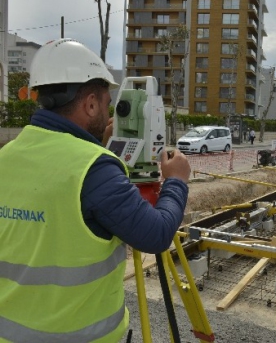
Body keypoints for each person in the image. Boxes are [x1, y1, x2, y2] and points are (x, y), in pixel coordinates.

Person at [0, 38, 191, 342]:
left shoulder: (7, 155)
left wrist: (94, 145)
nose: (109, 111)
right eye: (105, 103)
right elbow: (155, 235)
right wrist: (176, 182)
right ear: (89, 103)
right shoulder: (96, 169)